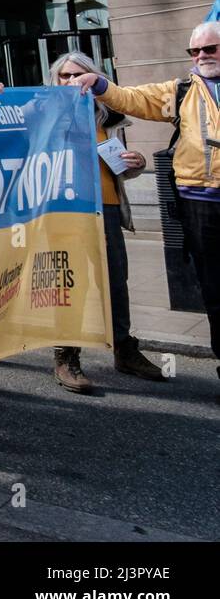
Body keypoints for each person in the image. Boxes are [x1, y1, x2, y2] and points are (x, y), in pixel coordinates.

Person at [73, 21, 220, 400]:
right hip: (200, 205)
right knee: (215, 292)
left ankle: (123, 346)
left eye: (210, 49)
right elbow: (134, 98)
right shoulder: (182, 90)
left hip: (169, 203)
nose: (201, 57)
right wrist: (100, 84)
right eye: (195, 51)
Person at [49, 53, 164, 390]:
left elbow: (121, 168)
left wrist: (137, 162)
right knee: (68, 285)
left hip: (107, 208)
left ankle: (124, 350)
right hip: (67, 212)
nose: (72, 82)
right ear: (55, 81)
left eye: (79, 75)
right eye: (65, 76)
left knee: (116, 281)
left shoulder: (107, 117)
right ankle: (66, 357)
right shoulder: (45, 118)